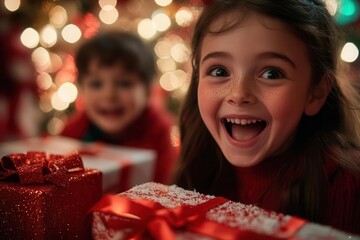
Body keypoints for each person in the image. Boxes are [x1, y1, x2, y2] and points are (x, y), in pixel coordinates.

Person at [173, 0, 360, 235]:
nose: (239, 94)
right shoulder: (195, 165)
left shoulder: (348, 187)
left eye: (272, 73)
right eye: (219, 71)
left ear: (315, 93)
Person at [61, 31, 178, 184]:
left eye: (124, 83)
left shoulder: (158, 131)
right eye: (96, 84)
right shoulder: (74, 131)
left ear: (148, 91)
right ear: (81, 88)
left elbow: (163, 187)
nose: (109, 95)